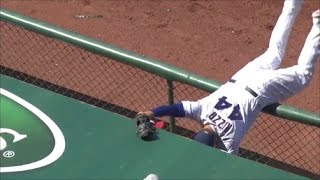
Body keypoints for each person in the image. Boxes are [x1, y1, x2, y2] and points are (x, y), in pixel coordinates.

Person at [138, 0, 320, 155]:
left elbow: (225, 161)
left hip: (261, 88)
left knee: (303, 74)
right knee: (274, 51)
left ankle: (318, 24)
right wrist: (152, 113)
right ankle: (292, 3)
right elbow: (177, 108)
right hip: (244, 76)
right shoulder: (202, 109)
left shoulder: (228, 138)